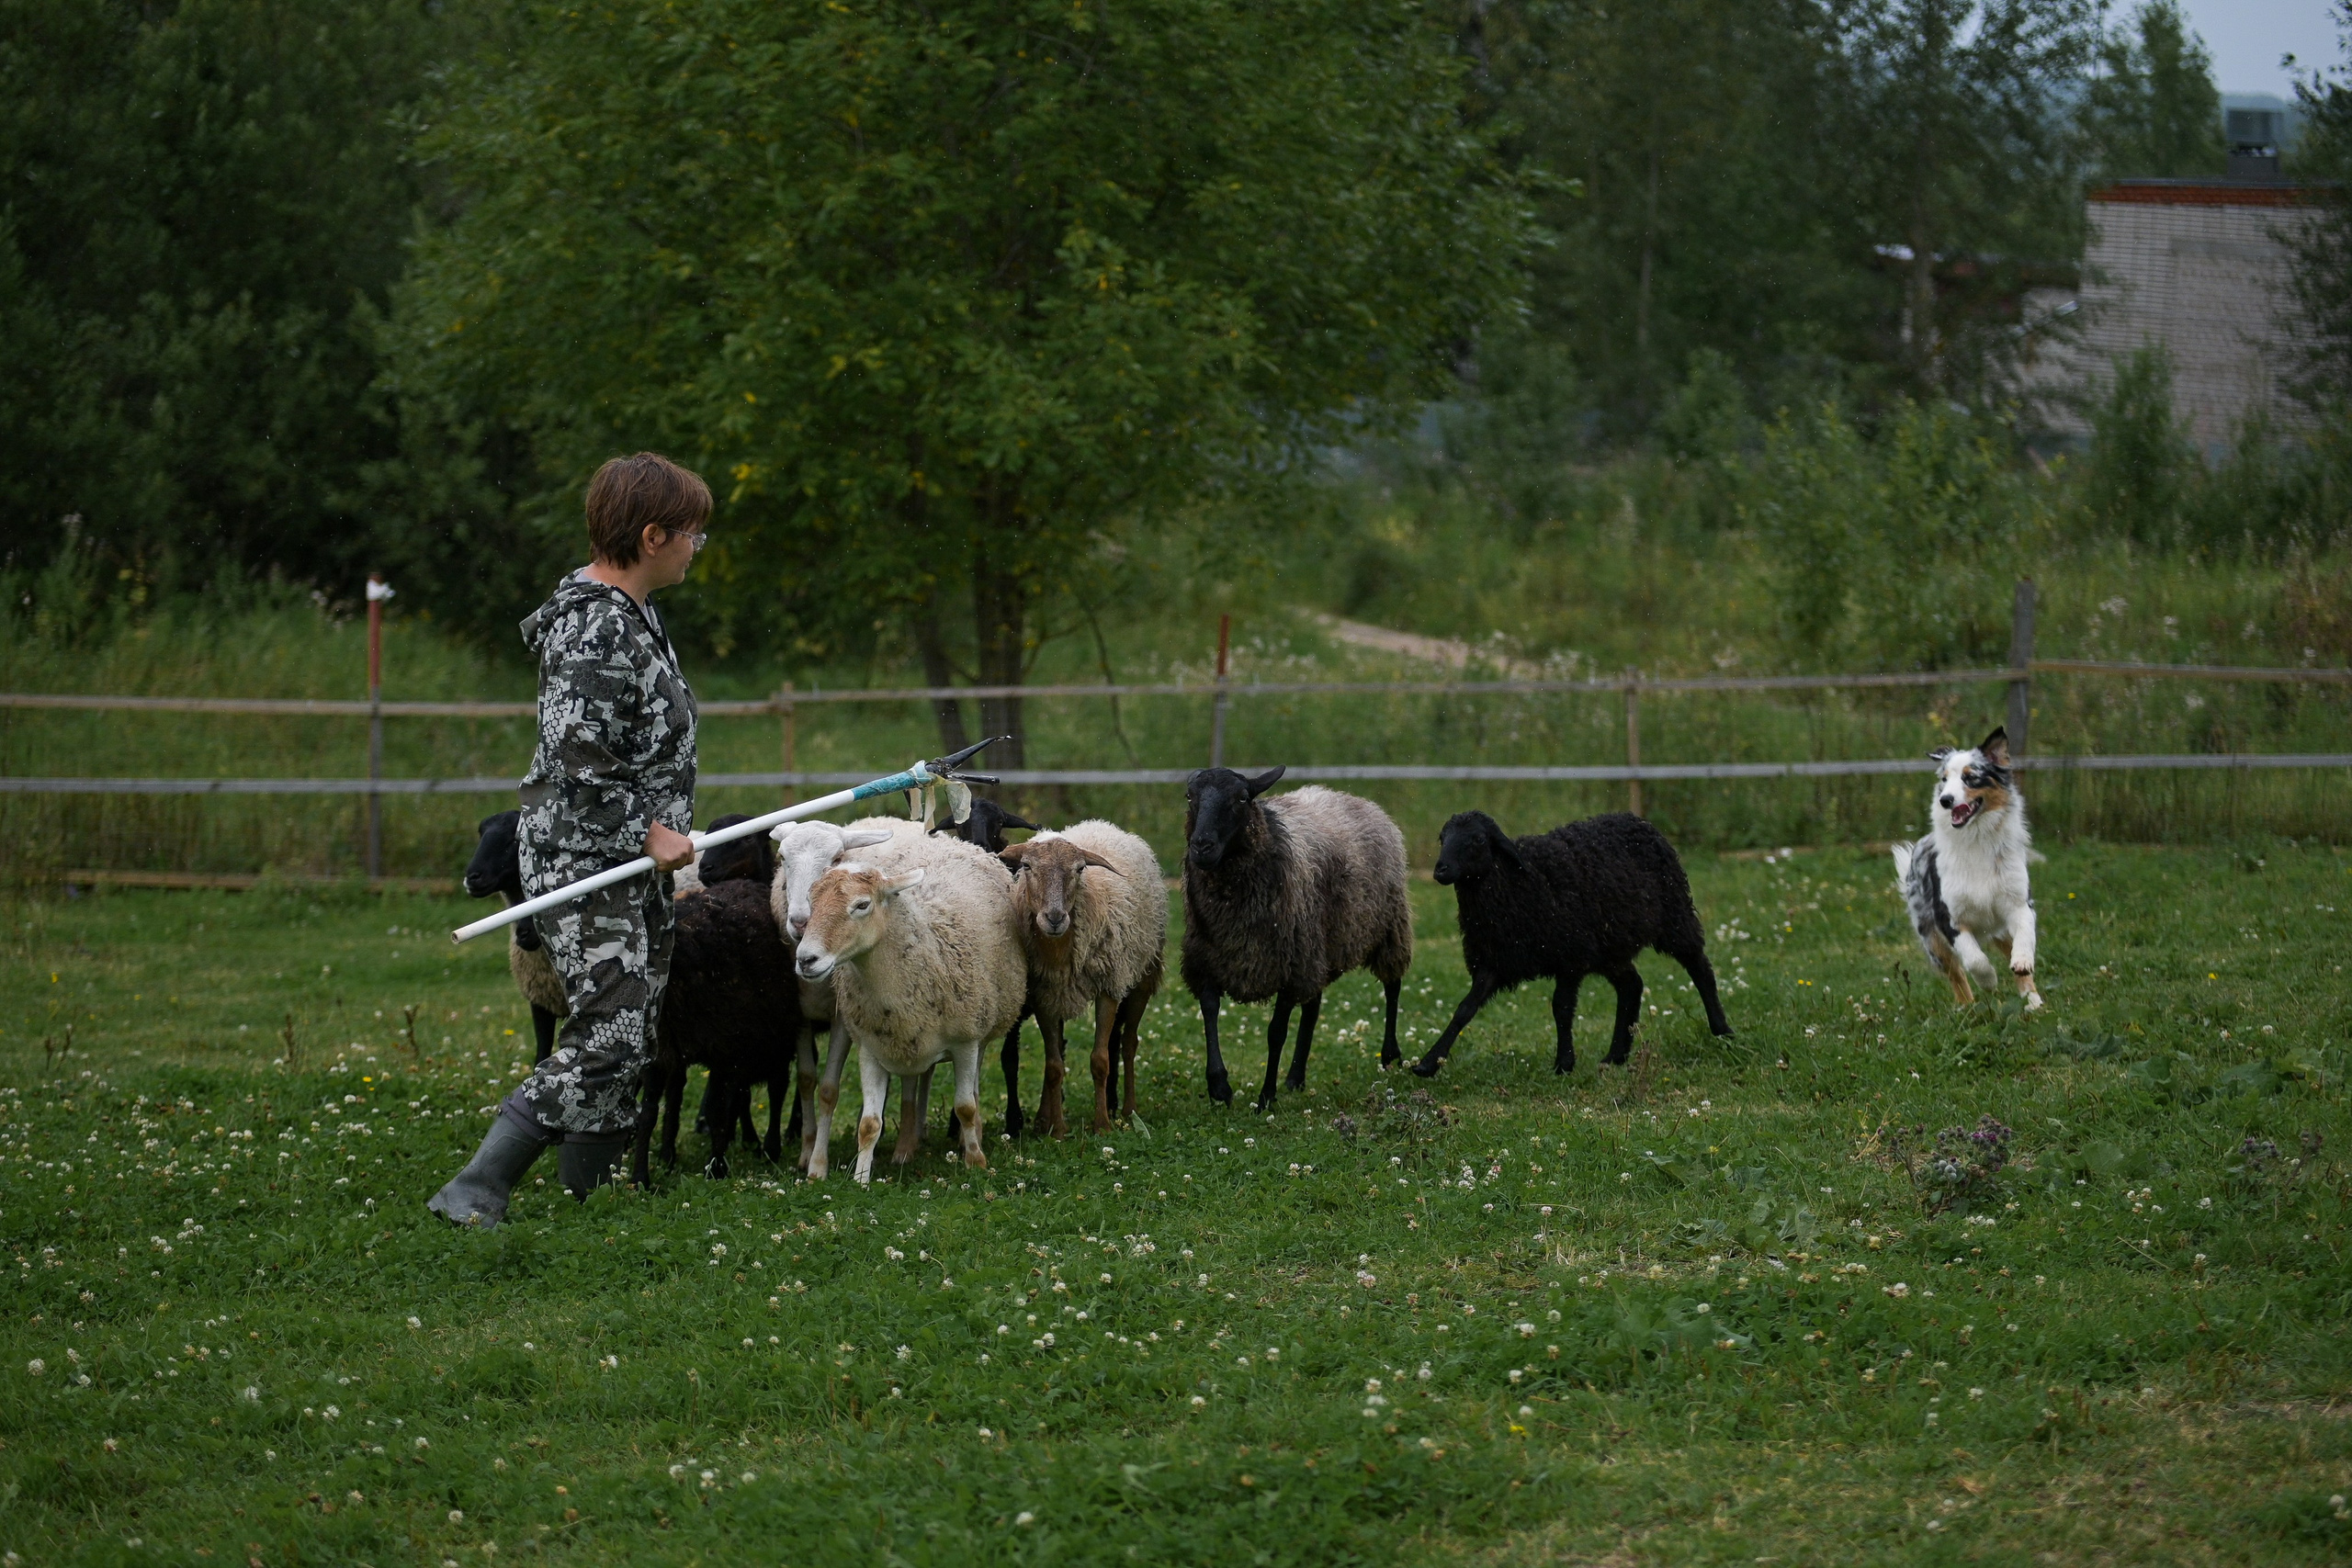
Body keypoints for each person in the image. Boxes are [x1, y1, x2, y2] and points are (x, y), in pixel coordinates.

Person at [429, 452, 707, 1227]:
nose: (698, 548)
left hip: (627, 861)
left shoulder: (633, 615)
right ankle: (478, 1184)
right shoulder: (591, 628)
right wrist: (648, 833)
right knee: (610, 1030)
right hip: (589, 859)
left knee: (633, 1019)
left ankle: (593, 1198)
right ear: (653, 535)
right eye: (693, 534)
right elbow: (575, 771)